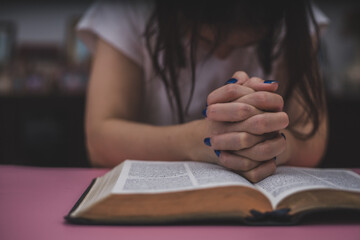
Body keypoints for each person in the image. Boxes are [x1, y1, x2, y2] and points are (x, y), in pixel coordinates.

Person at [77, 0, 329, 182]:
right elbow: (99, 141)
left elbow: (312, 137)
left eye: (249, 43)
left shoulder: (292, 20)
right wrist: (200, 139)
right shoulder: (127, 10)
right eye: (205, 40)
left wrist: (267, 141)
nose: (222, 56)